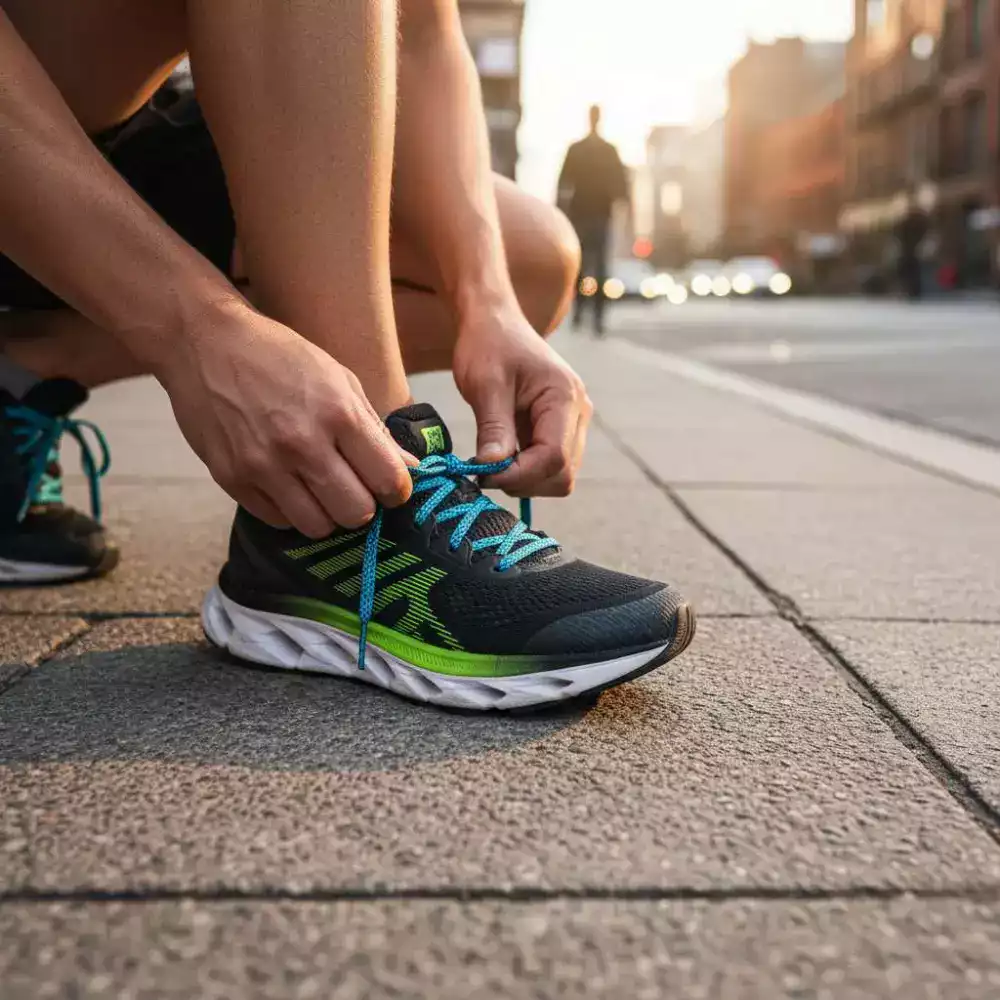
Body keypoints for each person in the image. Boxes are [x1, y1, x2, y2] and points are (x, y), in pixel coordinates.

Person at [0, 0, 694, 710]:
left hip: (112, 131)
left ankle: (24, 370)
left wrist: (490, 302)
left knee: (531, 259)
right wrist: (196, 330)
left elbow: (422, 32)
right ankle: (349, 512)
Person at [557, 105, 629, 336]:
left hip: (595, 215)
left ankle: (593, 316)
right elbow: (564, 183)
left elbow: (620, 185)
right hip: (585, 214)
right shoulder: (593, 150)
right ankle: (584, 314)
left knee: (595, 268)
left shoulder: (599, 150)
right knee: (584, 267)